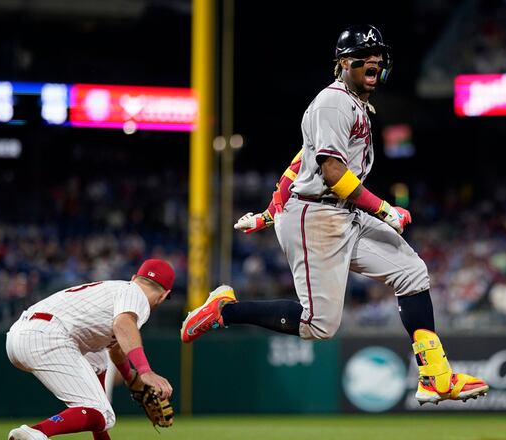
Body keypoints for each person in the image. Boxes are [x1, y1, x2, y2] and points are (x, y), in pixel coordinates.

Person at [181, 25, 488, 405]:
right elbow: (330, 172)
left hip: (341, 212)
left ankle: (436, 378)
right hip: (317, 217)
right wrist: (385, 209)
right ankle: (224, 311)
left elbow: (300, 161)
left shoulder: (353, 103)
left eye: (378, 54)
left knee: (412, 272)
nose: (374, 60)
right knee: (319, 325)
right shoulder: (334, 103)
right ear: (343, 63)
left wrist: (268, 212)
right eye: (365, 54)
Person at [6, 259, 175, 440]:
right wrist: (145, 371)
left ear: (135, 277)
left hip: (22, 334)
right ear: (164, 295)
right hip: (49, 335)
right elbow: (123, 324)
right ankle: (36, 433)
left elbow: (116, 350)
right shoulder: (135, 294)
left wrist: (131, 378)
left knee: (99, 388)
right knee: (103, 413)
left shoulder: (116, 293)